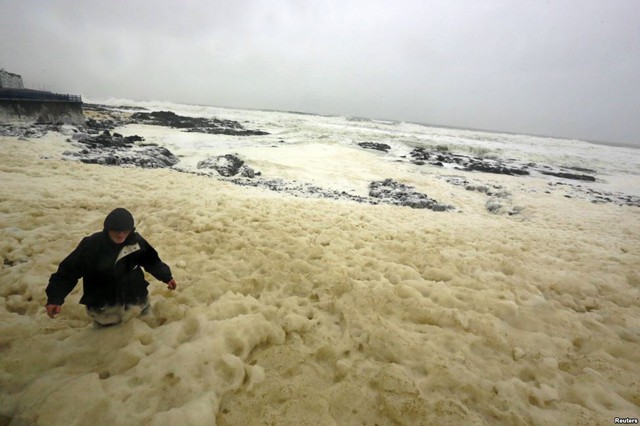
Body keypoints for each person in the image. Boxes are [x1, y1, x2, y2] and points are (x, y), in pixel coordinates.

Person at [45, 207, 177, 326]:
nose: (121, 235)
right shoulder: (92, 245)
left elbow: (152, 261)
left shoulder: (135, 242)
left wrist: (167, 277)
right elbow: (68, 272)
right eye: (116, 231)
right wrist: (54, 298)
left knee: (143, 328)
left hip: (136, 299)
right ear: (107, 229)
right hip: (104, 307)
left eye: (125, 231)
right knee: (109, 343)